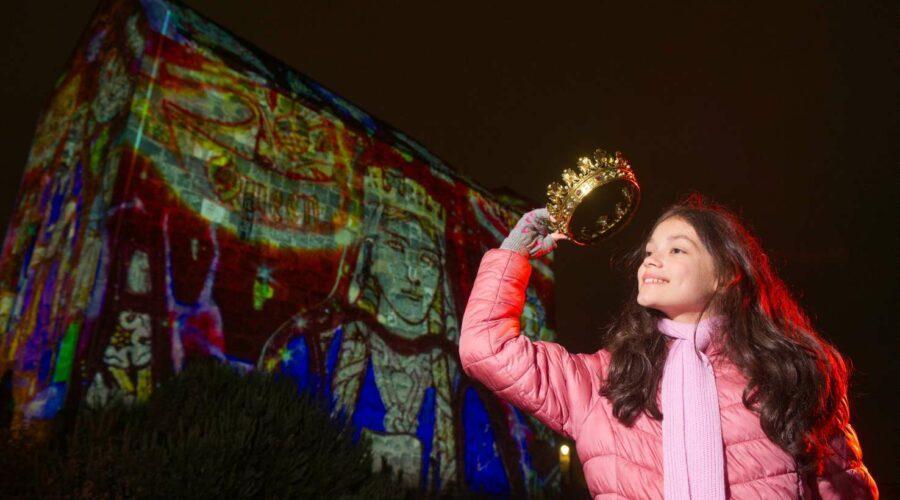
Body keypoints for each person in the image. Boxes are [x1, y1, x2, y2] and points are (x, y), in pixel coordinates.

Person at [459, 194, 879, 499]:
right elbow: (486, 347)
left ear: (726, 273)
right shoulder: (607, 382)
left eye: (676, 249)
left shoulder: (789, 374)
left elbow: (844, 491)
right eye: (648, 252)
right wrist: (514, 251)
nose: (651, 261)